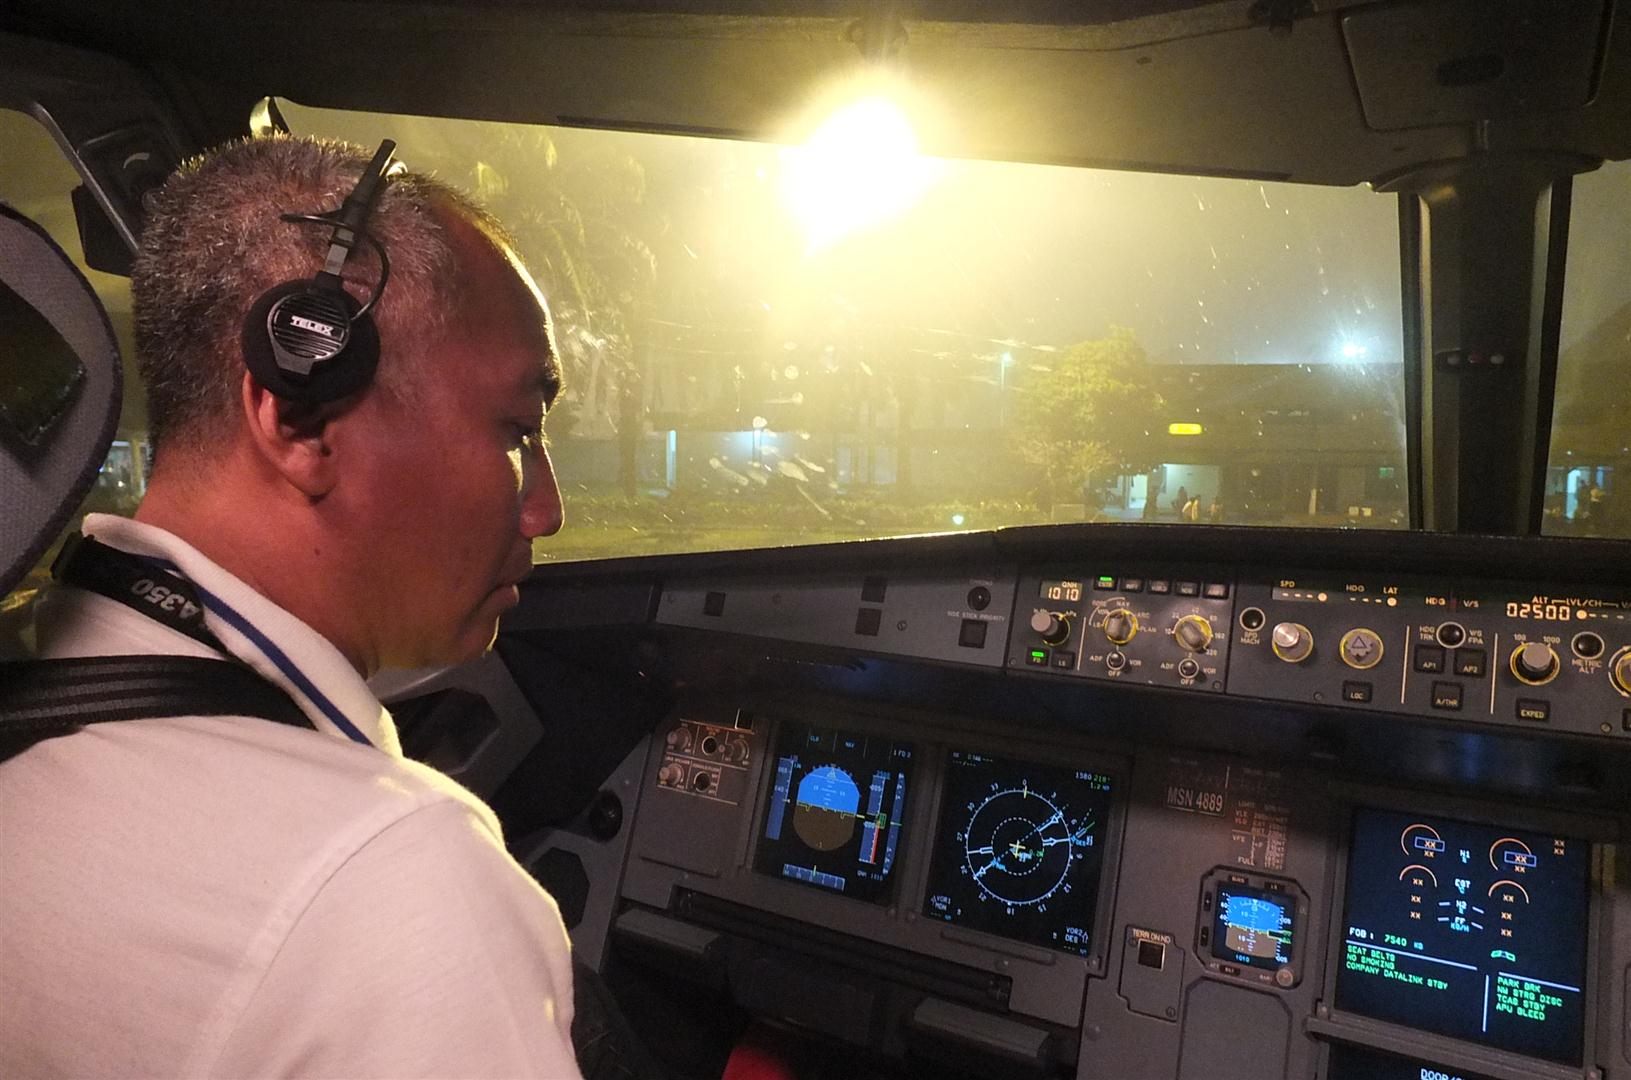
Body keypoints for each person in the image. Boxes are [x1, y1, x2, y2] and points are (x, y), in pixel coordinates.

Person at [0, 136, 581, 1076]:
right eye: (518, 429)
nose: (546, 510)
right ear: (299, 421)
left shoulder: (30, 684)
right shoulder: (393, 878)